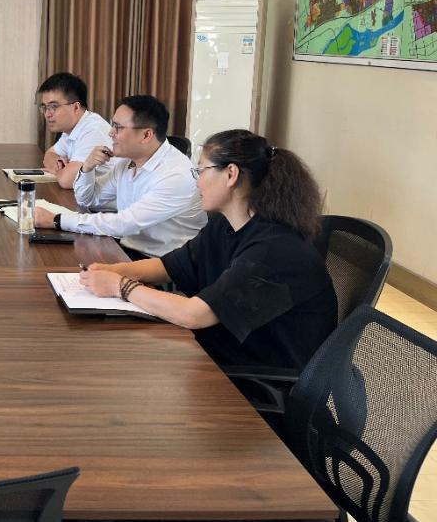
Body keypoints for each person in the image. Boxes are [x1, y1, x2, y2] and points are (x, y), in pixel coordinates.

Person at [77, 129, 337, 372]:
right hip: (218, 351)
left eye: (201, 171)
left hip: (254, 378)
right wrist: (113, 270)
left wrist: (121, 286)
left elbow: (194, 315)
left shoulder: (274, 250)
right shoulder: (224, 226)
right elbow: (169, 266)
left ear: (231, 174)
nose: (197, 183)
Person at [35, 95, 205, 258]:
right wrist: (87, 167)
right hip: (128, 248)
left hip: (162, 263)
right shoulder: (127, 162)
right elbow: (87, 199)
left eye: (118, 127)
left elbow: (123, 224)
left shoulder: (175, 175)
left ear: (146, 135)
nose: (110, 133)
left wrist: (56, 220)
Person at [37, 72, 112, 189]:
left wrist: (58, 172)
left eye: (54, 107)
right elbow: (49, 155)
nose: (47, 114)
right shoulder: (70, 129)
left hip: (108, 200)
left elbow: (67, 181)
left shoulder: (93, 130)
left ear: (76, 107)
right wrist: (59, 164)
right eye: (45, 107)